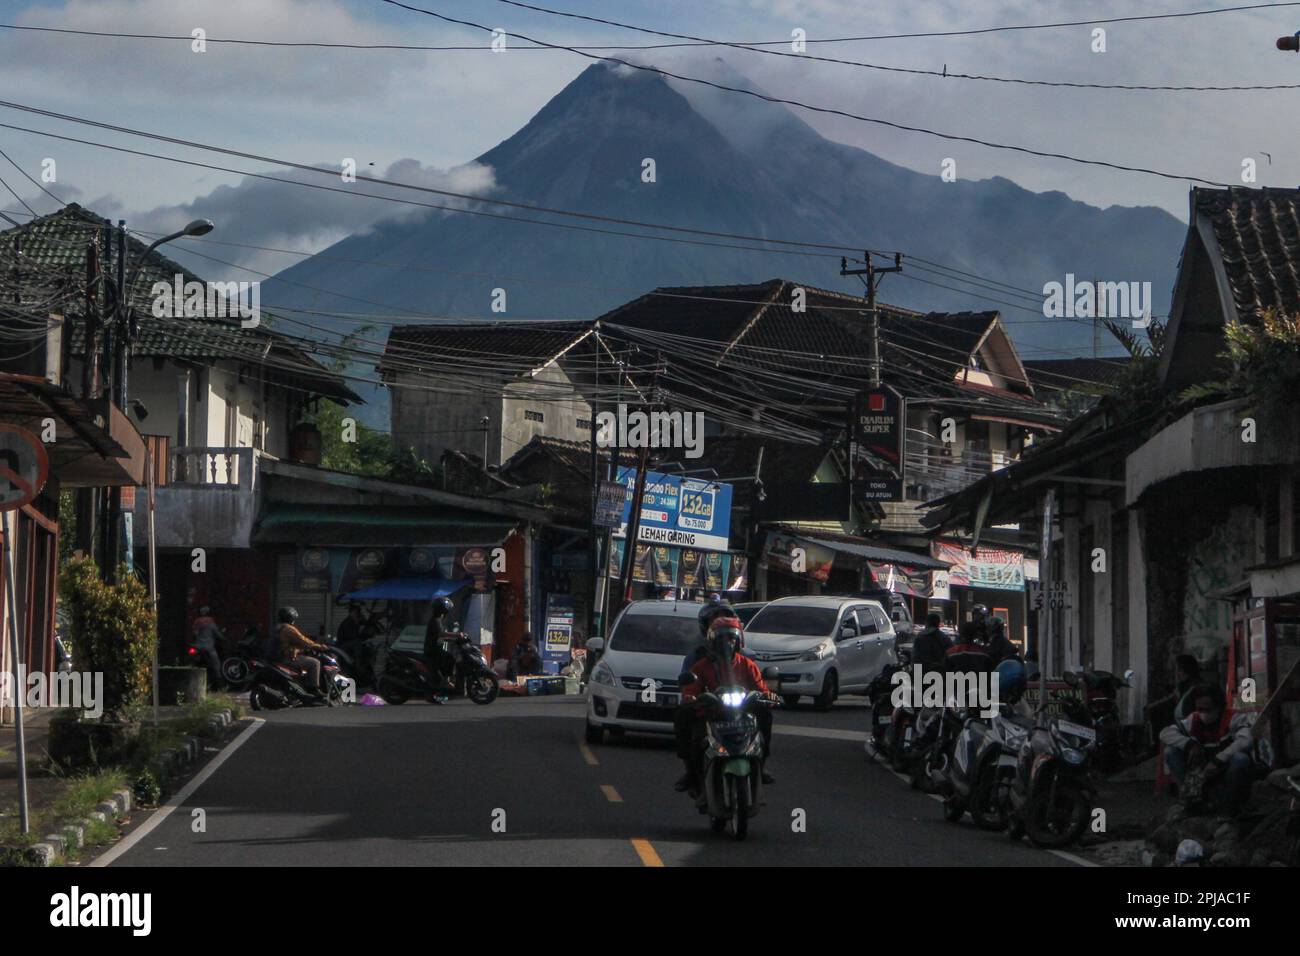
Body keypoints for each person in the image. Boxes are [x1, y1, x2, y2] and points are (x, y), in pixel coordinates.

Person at [674, 614, 777, 793]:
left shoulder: (747, 665)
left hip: (742, 712)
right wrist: (691, 699)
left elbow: (762, 689)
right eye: (722, 639)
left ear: (738, 642)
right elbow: (691, 689)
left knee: (766, 717)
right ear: (712, 641)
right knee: (685, 720)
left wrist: (768, 698)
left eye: (731, 639)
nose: (727, 643)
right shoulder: (701, 665)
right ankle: (690, 772)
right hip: (712, 713)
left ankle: (761, 765)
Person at [1159, 686, 1256, 813]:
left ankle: (1228, 809)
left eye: (1208, 709)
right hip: (1200, 772)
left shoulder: (1233, 718)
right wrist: (1189, 744)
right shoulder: (1193, 720)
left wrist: (1219, 760)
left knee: (1241, 760)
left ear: (1218, 706)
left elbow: (1246, 740)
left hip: (1225, 770)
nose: (1203, 713)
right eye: (1200, 709)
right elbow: (1165, 733)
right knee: (1170, 752)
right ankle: (1190, 801)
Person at [277, 607, 330, 697]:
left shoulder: (277, 627)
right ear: (291, 618)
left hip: (276, 657)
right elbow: (303, 641)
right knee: (315, 663)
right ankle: (313, 689)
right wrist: (319, 646)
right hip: (287, 658)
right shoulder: (289, 629)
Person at [422, 597, 458, 695]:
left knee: (448, 658)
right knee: (450, 658)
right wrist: (457, 635)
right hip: (432, 651)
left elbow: (440, 637)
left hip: (435, 649)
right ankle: (446, 681)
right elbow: (441, 634)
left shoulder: (437, 620)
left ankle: (444, 681)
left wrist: (454, 640)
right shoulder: (435, 621)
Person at [910, 611, 951, 680]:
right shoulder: (944, 637)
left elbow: (915, 657)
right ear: (938, 624)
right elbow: (950, 655)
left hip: (922, 673)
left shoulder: (919, 637)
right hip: (940, 673)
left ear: (926, 623)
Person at [192, 606, 224, 689]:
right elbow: (217, 633)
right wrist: (223, 638)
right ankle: (219, 682)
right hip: (209, 647)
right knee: (217, 664)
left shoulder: (197, 621)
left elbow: (195, 633)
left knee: (193, 662)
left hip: (198, 646)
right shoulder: (211, 621)